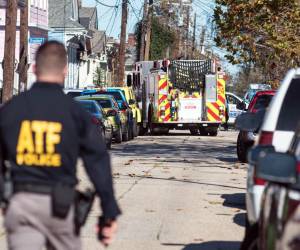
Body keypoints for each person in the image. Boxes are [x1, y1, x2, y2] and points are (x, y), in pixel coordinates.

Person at [0, 41, 121, 250]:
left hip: (22, 203)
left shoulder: (11, 110)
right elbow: (97, 161)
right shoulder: (76, 114)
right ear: (65, 70)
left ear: (35, 68)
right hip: (60, 207)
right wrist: (109, 210)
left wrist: (4, 193)